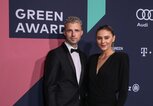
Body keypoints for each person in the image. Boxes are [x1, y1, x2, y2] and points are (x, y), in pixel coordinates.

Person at [43, 16, 87, 106]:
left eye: (76, 30)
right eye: (69, 30)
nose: (73, 34)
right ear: (64, 32)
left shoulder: (83, 56)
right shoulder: (55, 54)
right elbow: (50, 87)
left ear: (81, 33)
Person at [87, 25, 129, 106]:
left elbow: (123, 90)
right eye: (99, 38)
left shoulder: (121, 57)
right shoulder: (92, 59)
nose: (103, 41)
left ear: (113, 38)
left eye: (106, 38)